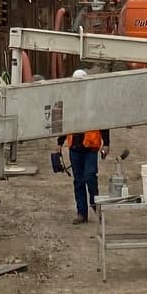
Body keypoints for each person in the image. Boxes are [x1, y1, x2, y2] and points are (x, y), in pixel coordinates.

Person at [57, 69, 110, 223]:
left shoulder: (94, 102)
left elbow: (103, 123)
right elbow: (64, 123)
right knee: (78, 181)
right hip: (75, 147)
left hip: (90, 147)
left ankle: (96, 205)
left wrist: (106, 143)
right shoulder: (69, 101)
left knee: (90, 177)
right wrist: (59, 143)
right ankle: (82, 213)